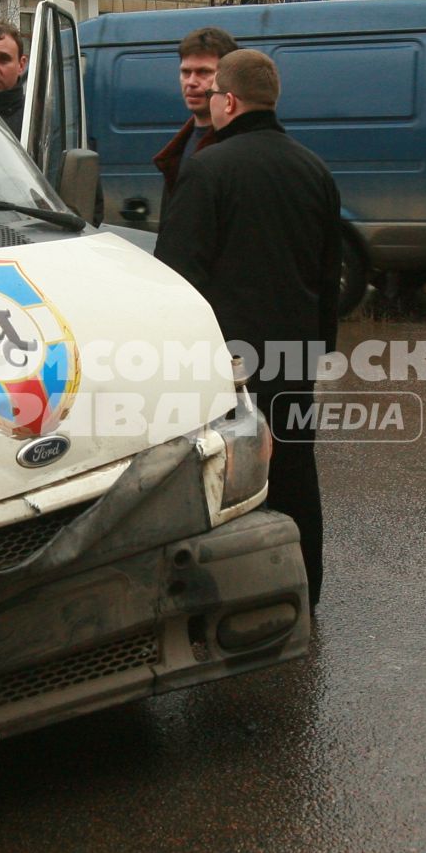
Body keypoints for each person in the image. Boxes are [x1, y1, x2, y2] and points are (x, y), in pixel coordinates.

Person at [155, 49, 341, 607]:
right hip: (295, 353)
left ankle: (230, 595)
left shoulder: (209, 169)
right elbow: (328, 272)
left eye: (212, 94)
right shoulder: (314, 169)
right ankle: (306, 586)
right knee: (295, 469)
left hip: (228, 359)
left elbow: (177, 277)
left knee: (224, 475)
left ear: (228, 101)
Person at [152, 26, 238, 212]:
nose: (191, 82)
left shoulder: (240, 150)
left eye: (203, 72)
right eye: (185, 72)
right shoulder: (179, 147)